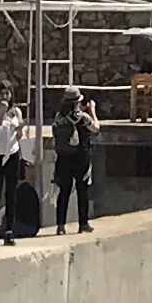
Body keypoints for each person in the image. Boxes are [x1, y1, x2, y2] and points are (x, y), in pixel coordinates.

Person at [0, 98, 31, 241]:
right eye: (2, 93)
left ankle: (9, 230)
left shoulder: (16, 112)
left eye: (8, 93)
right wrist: (1, 114)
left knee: (11, 193)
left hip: (12, 153)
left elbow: (18, 135)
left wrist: (20, 128)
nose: (5, 97)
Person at [52, 94, 98, 235]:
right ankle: (83, 224)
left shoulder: (59, 117)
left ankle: (60, 225)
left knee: (63, 192)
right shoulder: (82, 117)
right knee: (82, 190)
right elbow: (95, 128)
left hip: (63, 157)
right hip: (81, 157)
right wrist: (93, 111)